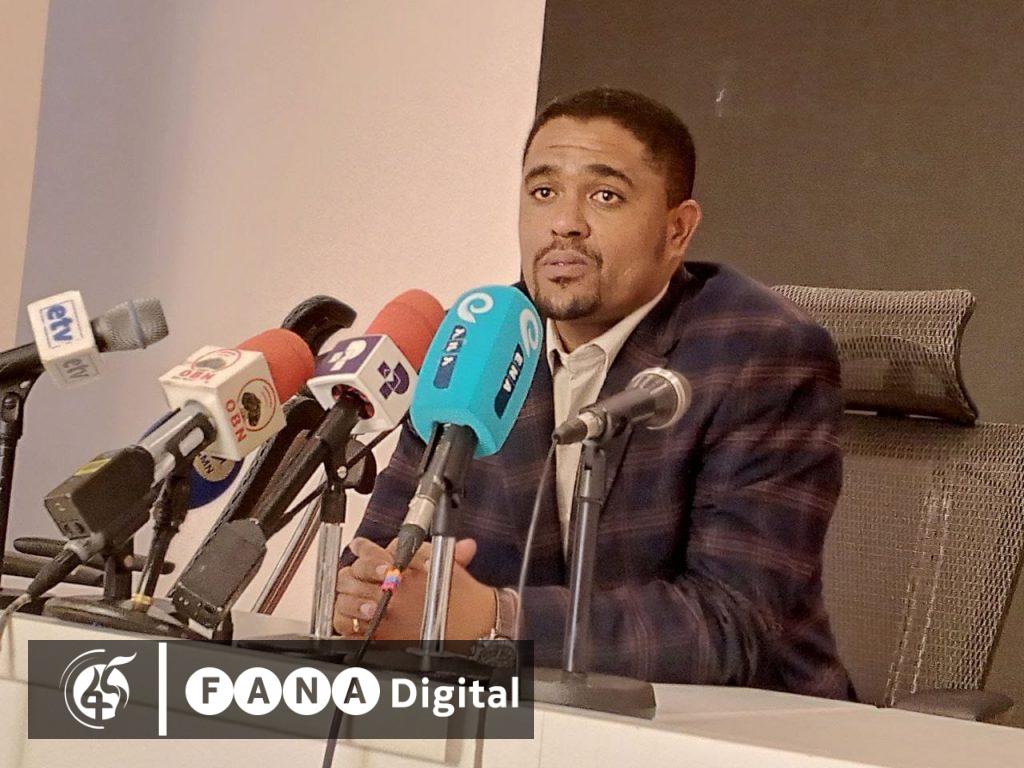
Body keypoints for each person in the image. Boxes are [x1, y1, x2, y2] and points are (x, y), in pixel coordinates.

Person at [333, 88, 853, 699]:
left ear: (677, 230)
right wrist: (368, 597)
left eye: (604, 196)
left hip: (743, 729)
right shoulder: (480, 341)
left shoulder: (758, 352)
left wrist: (497, 620)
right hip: (521, 716)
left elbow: (733, 623)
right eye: (543, 192)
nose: (564, 223)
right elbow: (382, 553)